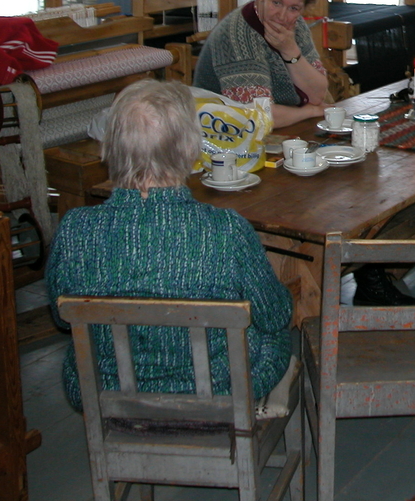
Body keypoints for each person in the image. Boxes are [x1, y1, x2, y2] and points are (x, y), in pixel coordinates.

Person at [47, 79, 292, 411]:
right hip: (219, 391)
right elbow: (274, 316)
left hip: (105, 391)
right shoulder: (226, 231)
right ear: (191, 150)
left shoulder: (75, 230)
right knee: (278, 333)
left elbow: (63, 320)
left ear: (109, 149)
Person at [194, 0, 329, 128]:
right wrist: (309, 111)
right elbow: (255, 115)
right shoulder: (237, 34)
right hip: (222, 131)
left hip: (281, 122)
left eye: (294, 8)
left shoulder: (296, 26)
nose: (282, 15)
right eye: (276, 2)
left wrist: (290, 50)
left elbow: (317, 94)